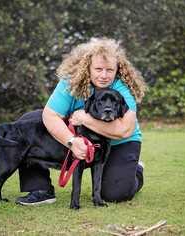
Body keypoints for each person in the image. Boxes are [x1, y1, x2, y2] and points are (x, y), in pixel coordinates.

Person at [16, 37, 146, 206]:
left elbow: (124, 130)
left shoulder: (123, 87)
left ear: (117, 69)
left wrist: (86, 119)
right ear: (88, 67)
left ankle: (136, 171)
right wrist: (72, 141)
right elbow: (50, 115)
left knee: (115, 194)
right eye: (98, 69)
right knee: (28, 122)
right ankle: (40, 189)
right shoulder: (72, 82)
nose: (104, 75)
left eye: (110, 70)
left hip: (119, 142)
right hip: (81, 137)